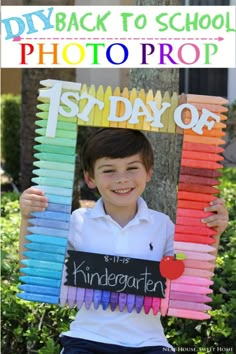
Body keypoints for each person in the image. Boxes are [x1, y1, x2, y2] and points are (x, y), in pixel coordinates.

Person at [19, 128, 229, 354]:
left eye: (132, 168)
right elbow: (34, 268)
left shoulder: (162, 225)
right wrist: (27, 218)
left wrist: (211, 235)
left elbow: (190, 276)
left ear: (148, 172)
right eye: (109, 170)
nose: (122, 178)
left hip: (149, 343)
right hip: (86, 340)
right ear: (90, 178)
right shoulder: (77, 222)